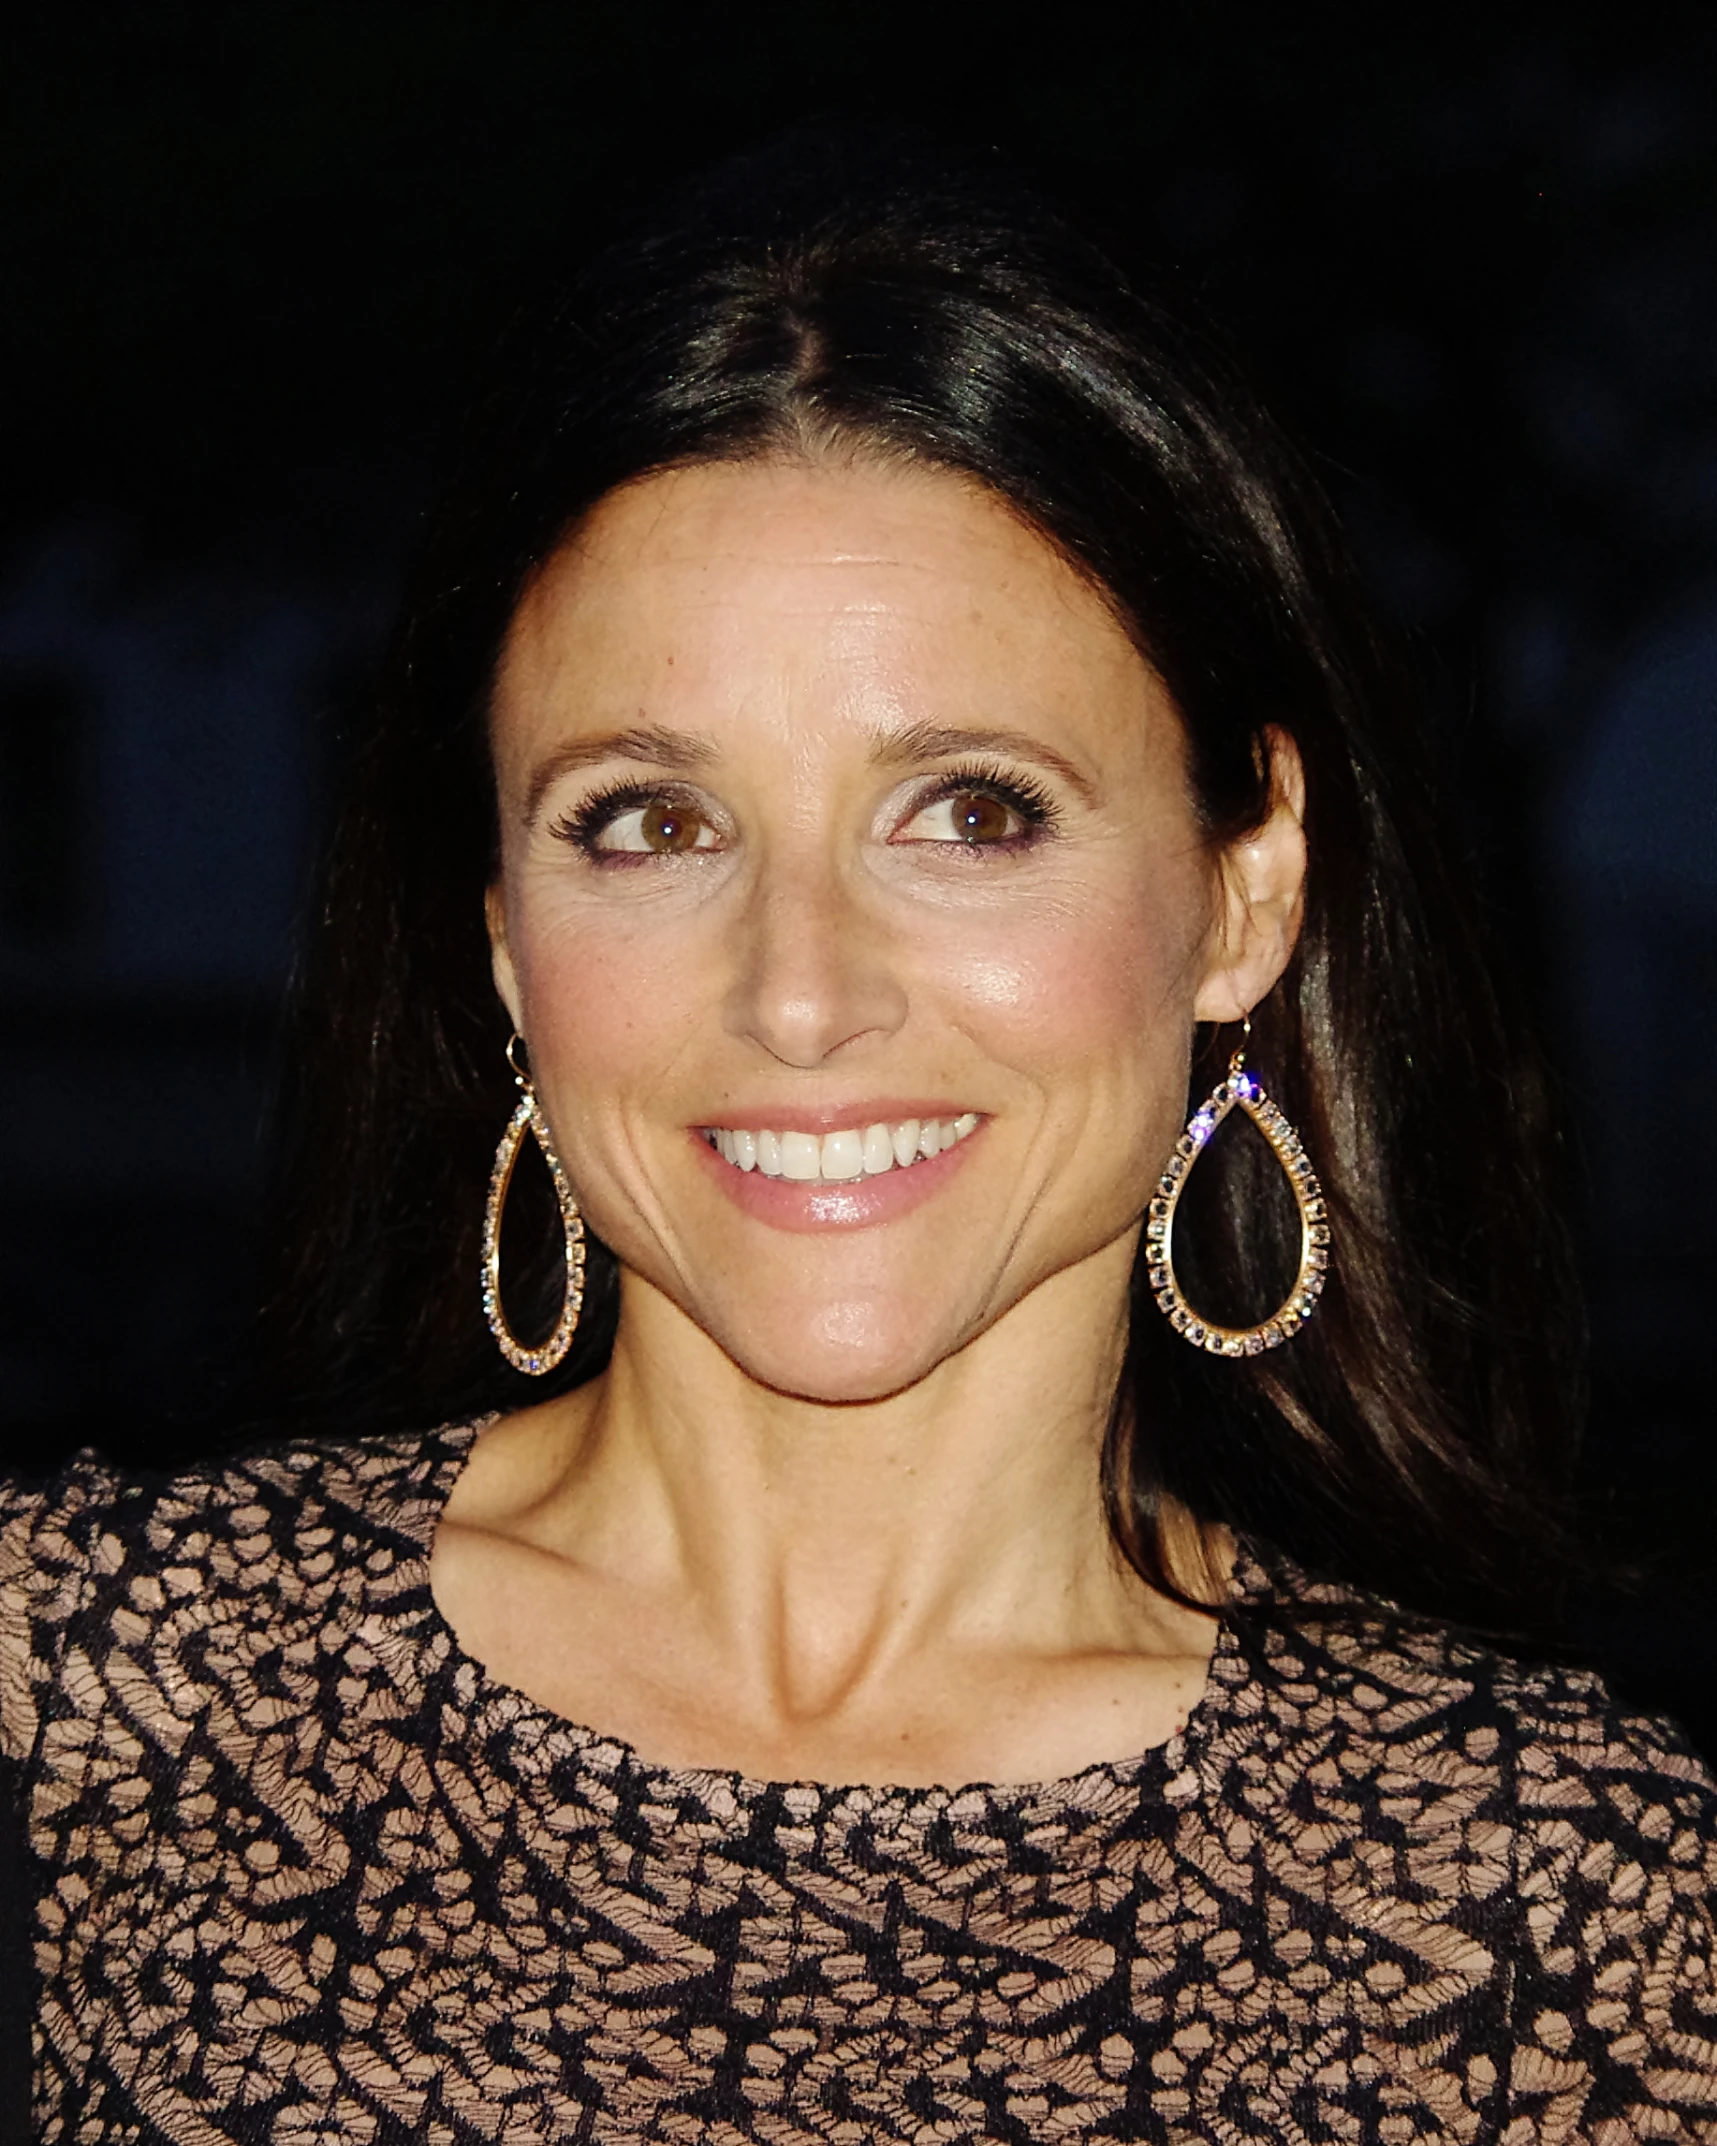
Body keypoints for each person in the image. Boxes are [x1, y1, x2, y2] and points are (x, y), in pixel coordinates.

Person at [2, 131, 1713, 2144]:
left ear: (1242, 889)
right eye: (648, 819)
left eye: (973, 811)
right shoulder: (95, 1701)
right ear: (501, 937)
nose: (800, 993)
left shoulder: (1555, 1902)